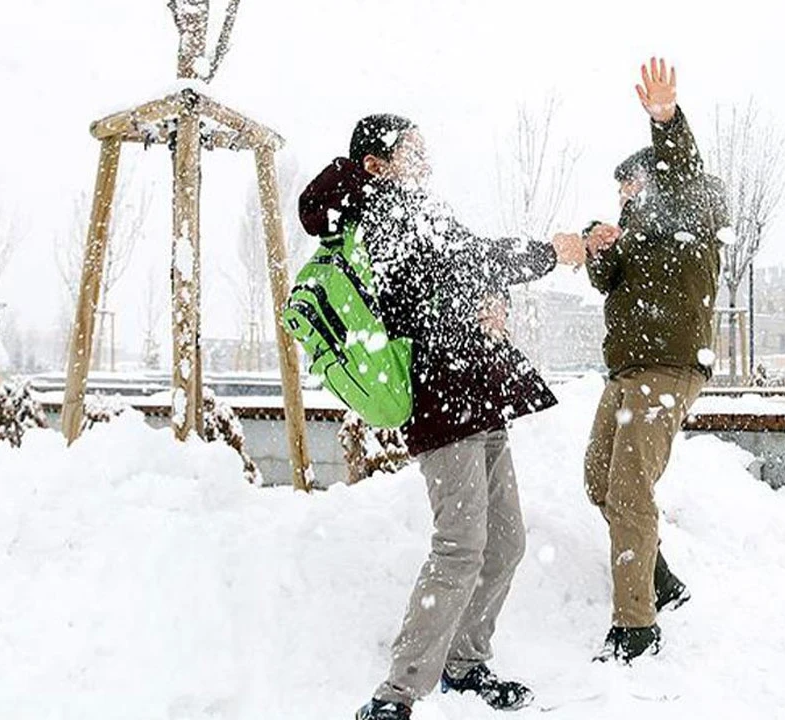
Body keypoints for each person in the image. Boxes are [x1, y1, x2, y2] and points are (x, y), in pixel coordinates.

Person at [298, 114, 586, 720]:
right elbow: (460, 265)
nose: (426, 159)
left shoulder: (417, 209)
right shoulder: (380, 213)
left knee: (506, 542)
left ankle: (465, 663)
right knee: (460, 546)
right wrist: (547, 254)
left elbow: (463, 273)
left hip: (477, 391)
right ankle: (395, 694)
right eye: (412, 150)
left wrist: (493, 302)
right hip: (440, 398)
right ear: (378, 163)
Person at [580, 58, 729, 663]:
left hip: (668, 370)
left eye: (632, 186)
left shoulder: (692, 209)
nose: (625, 197)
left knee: (630, 489)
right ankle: (660, 578)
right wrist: (597, 245)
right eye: (620, 191)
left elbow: (684, 171)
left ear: (657, 180)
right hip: (627, 373)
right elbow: (606, 281)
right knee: (599, 479)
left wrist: (665, 121)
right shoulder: (634, 235)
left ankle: (636, 626)